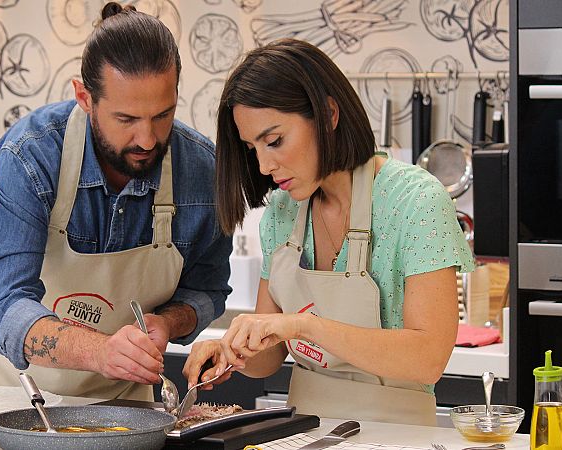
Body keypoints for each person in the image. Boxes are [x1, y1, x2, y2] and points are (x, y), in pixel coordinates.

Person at [0, 3, 232, 402]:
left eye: (162, 115)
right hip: (4, 392)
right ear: (85, 96)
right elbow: (2, 302)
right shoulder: (30, 156)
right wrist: (99, 350)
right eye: (126, 119)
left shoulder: (203, 173)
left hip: (118, 408)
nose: (148, 139)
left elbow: (207, 288)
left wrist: (168, 322)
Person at [183, 39, 474, 425]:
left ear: (328, 113)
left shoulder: (414, 201)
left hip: (397, 435)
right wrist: (232, 351)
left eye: (274, 141)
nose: (265, 165)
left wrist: (303, 325)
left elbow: (427, 359)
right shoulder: (282, 214)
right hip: (304, 431)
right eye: (253, 149)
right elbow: (270, 358)